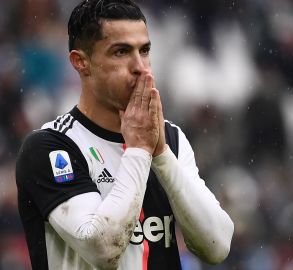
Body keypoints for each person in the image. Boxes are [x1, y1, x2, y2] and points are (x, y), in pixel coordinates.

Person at [15, 0, 234, 269]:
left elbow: (217, 246)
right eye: (121, 52)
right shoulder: (51, 147)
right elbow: (103, 249)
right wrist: (140, 151)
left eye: (144, 50)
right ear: (81, 62)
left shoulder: (170, 138)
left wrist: (162, 156)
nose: (140, 66)